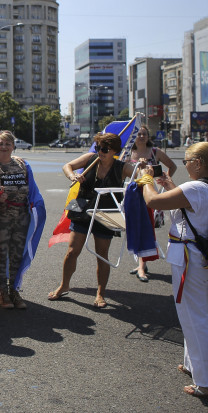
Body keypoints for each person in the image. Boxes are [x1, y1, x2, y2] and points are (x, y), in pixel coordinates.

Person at [138, 142, 208, 400]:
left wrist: (146, 179)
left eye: (188, 160)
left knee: (194, 319)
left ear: (199, 163)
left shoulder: (194, 187)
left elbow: (153, 201)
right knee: (199, 314)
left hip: (190, 259)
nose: (185, 164)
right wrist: (169, 186)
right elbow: (192, 210)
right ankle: (194, 365)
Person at [48, 132, 136, 308]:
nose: (100, 152)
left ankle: (100, 293)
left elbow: (140, 175)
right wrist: (73, 176)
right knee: (72, 251)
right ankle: (64, 285)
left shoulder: (122, 167)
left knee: (102, 255)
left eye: (104, 149)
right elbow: (68, 166)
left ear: (114, 151)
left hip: (107, 213)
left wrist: (143, 168)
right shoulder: (90, 159)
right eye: (98, 147)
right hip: (83, 209)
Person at [0, 130, 44, 309]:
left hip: (21, 218)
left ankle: (14, 289)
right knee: (1, 254)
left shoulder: (22, 165)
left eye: (7, 144)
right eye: (0, 143)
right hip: (1, 219)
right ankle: (3, 292)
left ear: (13, 146)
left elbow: (33, 191)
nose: (4, 147)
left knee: (16, 255)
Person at [129, 125, 177, 281]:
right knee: (135, 226)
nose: (141, 136)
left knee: (146, 226)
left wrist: (165, 179)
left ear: (148, 137)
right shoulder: (129, 152)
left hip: (149, 192)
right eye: (139, 134)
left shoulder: (155, 152)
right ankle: (140, 263)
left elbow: (172, 166)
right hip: (133, 191)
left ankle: (142, 267)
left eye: (144, 134)